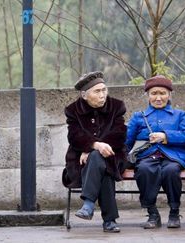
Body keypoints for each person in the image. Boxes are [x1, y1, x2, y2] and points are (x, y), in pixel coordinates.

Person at [62, 71, 126, 233]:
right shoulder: (73, 110)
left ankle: (88, 204)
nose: (102, 95)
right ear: (84, 95)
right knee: (102, 167)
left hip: (114, 154)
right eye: (97, 91)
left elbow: (119, 135)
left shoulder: (117, 106)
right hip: (80, 160)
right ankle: (109, 221)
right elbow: (74, 136)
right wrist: (93, 146)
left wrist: (91, 148)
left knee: (100, 160)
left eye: (104, 90)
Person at [125, 76, 185, 229]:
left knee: (171, 171)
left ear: (169, 95)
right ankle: (152, 213)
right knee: (143, 169)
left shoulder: (180, 115)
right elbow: (128, 141)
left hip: (173, 156)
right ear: (148, 96)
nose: (158, 97)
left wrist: (165, 136)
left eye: (162, 93)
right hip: (146, 155)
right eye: (154, 93)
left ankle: (174, 212)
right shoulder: (138, 116)